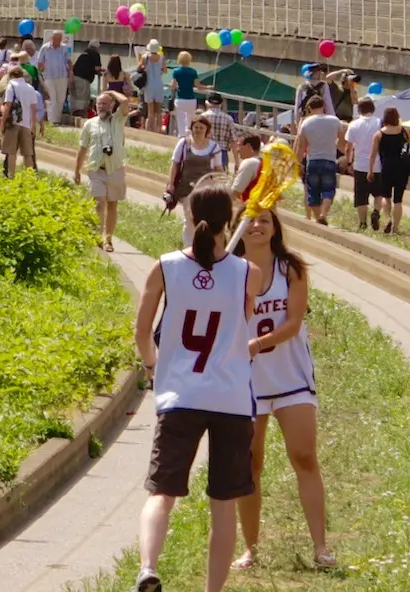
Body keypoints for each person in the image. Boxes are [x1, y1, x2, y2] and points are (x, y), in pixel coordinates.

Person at [134, 185, 261, 592]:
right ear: (230, 221)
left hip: (179, 396)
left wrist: (154, 367)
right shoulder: (248, 274)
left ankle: (148, 567)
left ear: (188, 217)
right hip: (231, 399)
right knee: (222, 507)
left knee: (161, 493)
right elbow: (243, 324)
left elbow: (141, 333)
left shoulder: (165, 267)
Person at [230, 199, 333, 570]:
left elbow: (292, 322)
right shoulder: (230, 270)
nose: (256, 226)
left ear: (275, 228)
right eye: (250, 221)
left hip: (291, 377)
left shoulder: (291, 268)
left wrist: (256, 344)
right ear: (239, 228)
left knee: (304, 457)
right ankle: (250, 549)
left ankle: (321, 547)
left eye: (263, 221)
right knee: (250, 463)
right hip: (248, 382)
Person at [74, 91, 129, 251]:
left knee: (112, 204)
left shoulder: (118, 120)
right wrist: (77, 170)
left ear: (112, 105)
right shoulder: (90, 124)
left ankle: (108, 239)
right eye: (99, 104)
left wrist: (110, 92)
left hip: (115, 168)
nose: (101, 107)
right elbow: (82, 148)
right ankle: (97, 236)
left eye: (105, 103)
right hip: (96, 169)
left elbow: (125, 101)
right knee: (98, 202)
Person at [164, 116, 224, 245]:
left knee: (204, 219)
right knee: (189, 218)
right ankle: (189, 246)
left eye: (201, 128)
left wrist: (222, 185)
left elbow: (218, 168)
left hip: (206, 190)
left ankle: (202, 245)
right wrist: (171, 184)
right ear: (191, 128)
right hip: (187, 188)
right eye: (196, 127)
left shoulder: (214, 147)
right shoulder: (184, 144)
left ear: (207, 130)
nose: (198, 130)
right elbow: (175, 164)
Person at [291, 97, 343, 224]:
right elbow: (342, 143)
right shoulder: (335, 121)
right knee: (329, 190)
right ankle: (323, 214)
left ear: (309, 108)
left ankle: (318, 217)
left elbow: (301, 146)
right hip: (329, 160)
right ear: (324, 106)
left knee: (312, 192)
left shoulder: (306, 123)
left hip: (312, 161)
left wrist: (297, 163)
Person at [366, 106, 410, 234]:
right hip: (402, 168)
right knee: (398, 199)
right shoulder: (404, 131)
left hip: (386, 167)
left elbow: (373, 155)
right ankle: (396, 228)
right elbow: (408, 148)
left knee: (386, 197)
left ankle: (388, 219)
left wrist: (370, 171)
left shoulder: (379, 134)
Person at [343, 96, 383, 230]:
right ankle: (376, 211)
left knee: (361, 196)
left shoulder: (354, 124)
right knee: (378, 193)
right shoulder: (379, 123)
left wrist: (348, 162)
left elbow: (348, 147)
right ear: (373, 108)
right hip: (378, 165)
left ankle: (362, 223)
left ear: (359, 109)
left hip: (360, 165)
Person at [168, 51, 206, 138]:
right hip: (191, 99)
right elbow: (198, 86)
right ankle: (190, 137)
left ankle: (182, 137)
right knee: (190, 120)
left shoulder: (176, 71)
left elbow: (173, 86)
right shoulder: (193, 71)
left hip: (180, 99)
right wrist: (208, 87)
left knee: (181, 120)